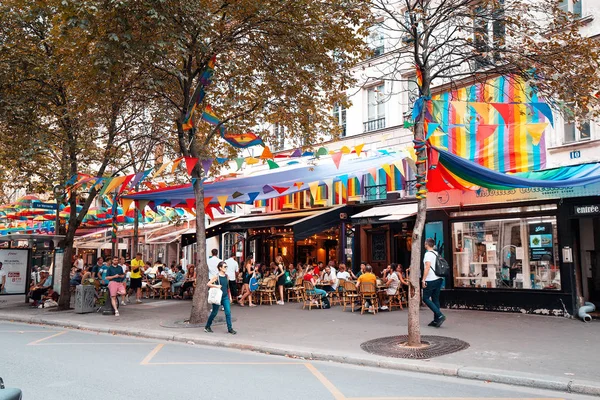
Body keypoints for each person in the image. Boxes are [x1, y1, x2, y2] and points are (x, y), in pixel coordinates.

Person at [204, 261, 237, 335]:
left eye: (226, 266)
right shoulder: (216, 276)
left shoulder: (226, 276)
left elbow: (227, 287)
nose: (226, 268)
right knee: (214, 313)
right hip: (218, 297)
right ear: (220, 268)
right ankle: (207, 326)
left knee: (228, 312)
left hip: (225, 297)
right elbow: (208, 284)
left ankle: (230, 328)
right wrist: (216, 286)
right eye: (225, 267)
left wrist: (230, 296)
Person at [422, 237, 446, 327]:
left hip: (431, 279)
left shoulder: (428, 254)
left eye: (425, 243)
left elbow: (427, 267)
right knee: (435, 299)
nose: (424, 244)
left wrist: (423, 280)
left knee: (425, 298)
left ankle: (439, 315)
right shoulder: (436, 253)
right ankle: (436, 320)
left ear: (427, 244)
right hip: (438, 278)